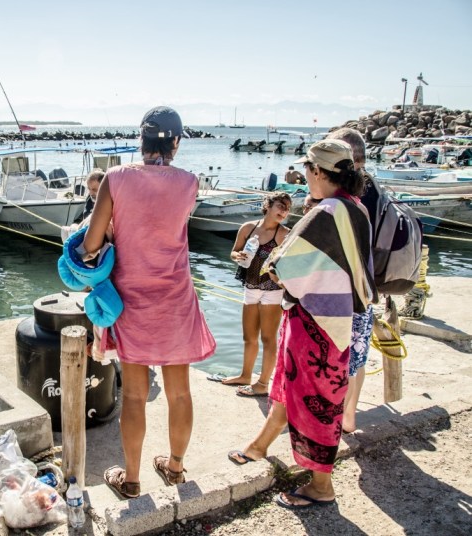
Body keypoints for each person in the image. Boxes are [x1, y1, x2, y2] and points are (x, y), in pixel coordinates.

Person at [227, 139, 375, 510]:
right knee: (293, 386)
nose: (304, 175)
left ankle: (321, 485)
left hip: (315, 322)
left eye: (307, 169)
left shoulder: (325, 212)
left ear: (318, 171)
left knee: (315, 400)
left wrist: (277, 264)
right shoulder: (355, 207)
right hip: (343, 316)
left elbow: (282, 267)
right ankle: (260, 446)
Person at [81, 106, 217, 499]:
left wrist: (112, 231)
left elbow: (91, 244)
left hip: (132, 301)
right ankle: (174, 468)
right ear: (176, 142)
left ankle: (132, 480)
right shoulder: (189, 182)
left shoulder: (115, 178)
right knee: (179, 392)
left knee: (134, 395)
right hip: (176, 299)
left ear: (140, 140)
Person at [215, 192, 291, 396]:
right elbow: (234, 251)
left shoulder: (284, 234)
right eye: (281, 206)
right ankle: (245, 375)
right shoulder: (248, 228)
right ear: (268, 205)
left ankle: (263, 384)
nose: (284, 211)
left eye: (287, 208)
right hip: (251, 286)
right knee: (249, 337)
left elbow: (291, 265)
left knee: (268, 338)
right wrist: (237, 256)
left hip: (273, 290)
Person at [327, 127, 376, 433]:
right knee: (358, 358)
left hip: (347, 296)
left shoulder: (342, 200)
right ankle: (349, 417)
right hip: (366, 291)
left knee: (343, 360)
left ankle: (337, 420)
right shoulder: (368, 194)